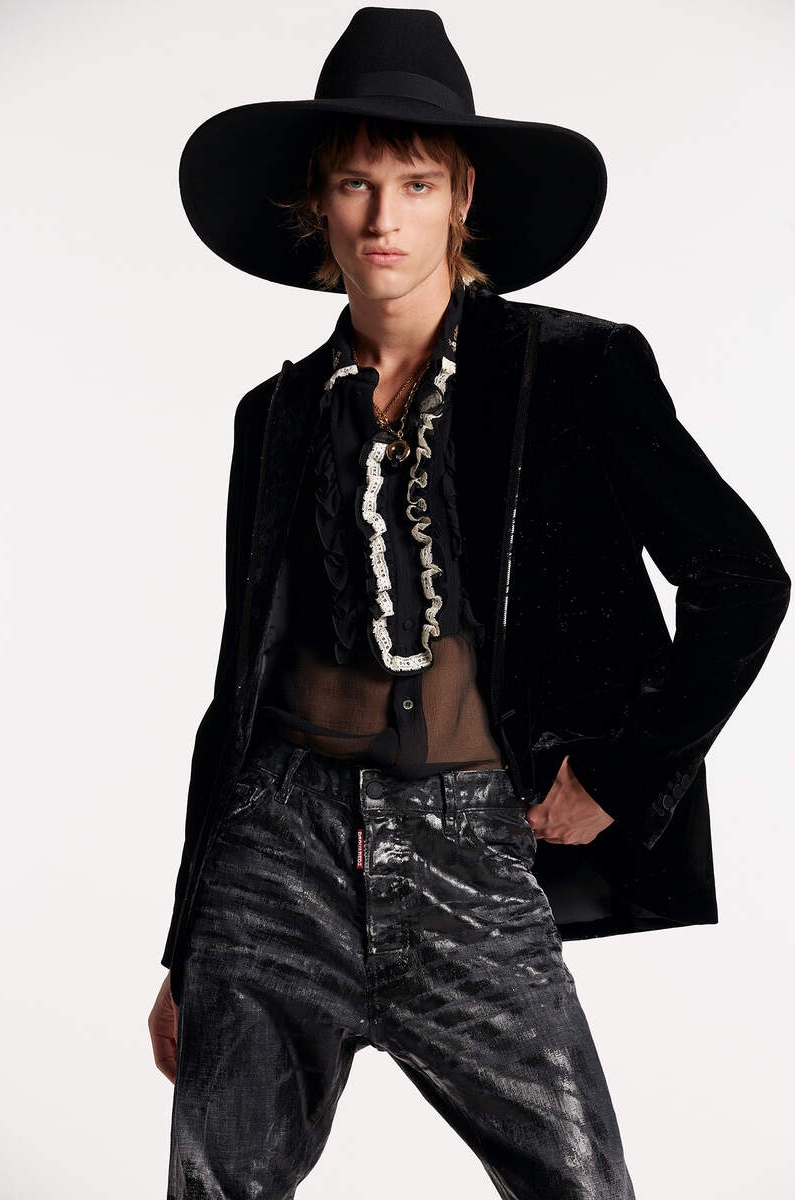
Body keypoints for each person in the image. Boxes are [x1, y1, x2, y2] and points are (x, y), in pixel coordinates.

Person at [148, 8, 791, 1198]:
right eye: (355, 183)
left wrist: (620, 771)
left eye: (414, 182)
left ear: (460, 198)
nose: (382, 218)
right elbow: (235, 682)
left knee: (581, 1183)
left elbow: (742, 580)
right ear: (318, 202)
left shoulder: (576, 368)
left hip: (468, 846)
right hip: (273, 857)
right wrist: (189, 940)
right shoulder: (273, 416)